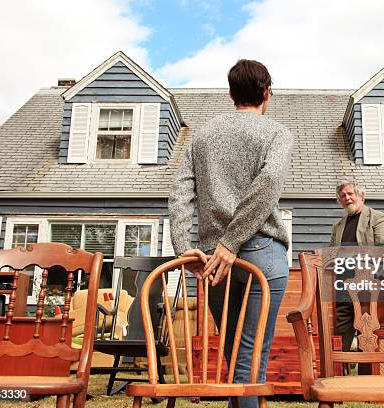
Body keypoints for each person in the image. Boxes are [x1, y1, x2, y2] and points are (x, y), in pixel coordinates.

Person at [169, 59, 293, 408]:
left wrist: (185, 248)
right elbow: (268, 184)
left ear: (230, 94)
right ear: (268, 92)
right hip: (261, 254)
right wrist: (232, 242)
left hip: (211, 261)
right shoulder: (277, 134)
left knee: (236, 356)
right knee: (249, 361)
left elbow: (179, 193)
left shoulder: (202, 136)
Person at [329, 181, 384, 373]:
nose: (346, 198)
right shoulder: (338, 226)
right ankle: (342, 373)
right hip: (343, 285)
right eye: (342, 196)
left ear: (361, 196)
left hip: (370, 284)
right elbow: (332, 255)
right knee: (342, 328)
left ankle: (367, 375)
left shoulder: (377, 218)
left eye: (350, 194)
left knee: (367, 328)